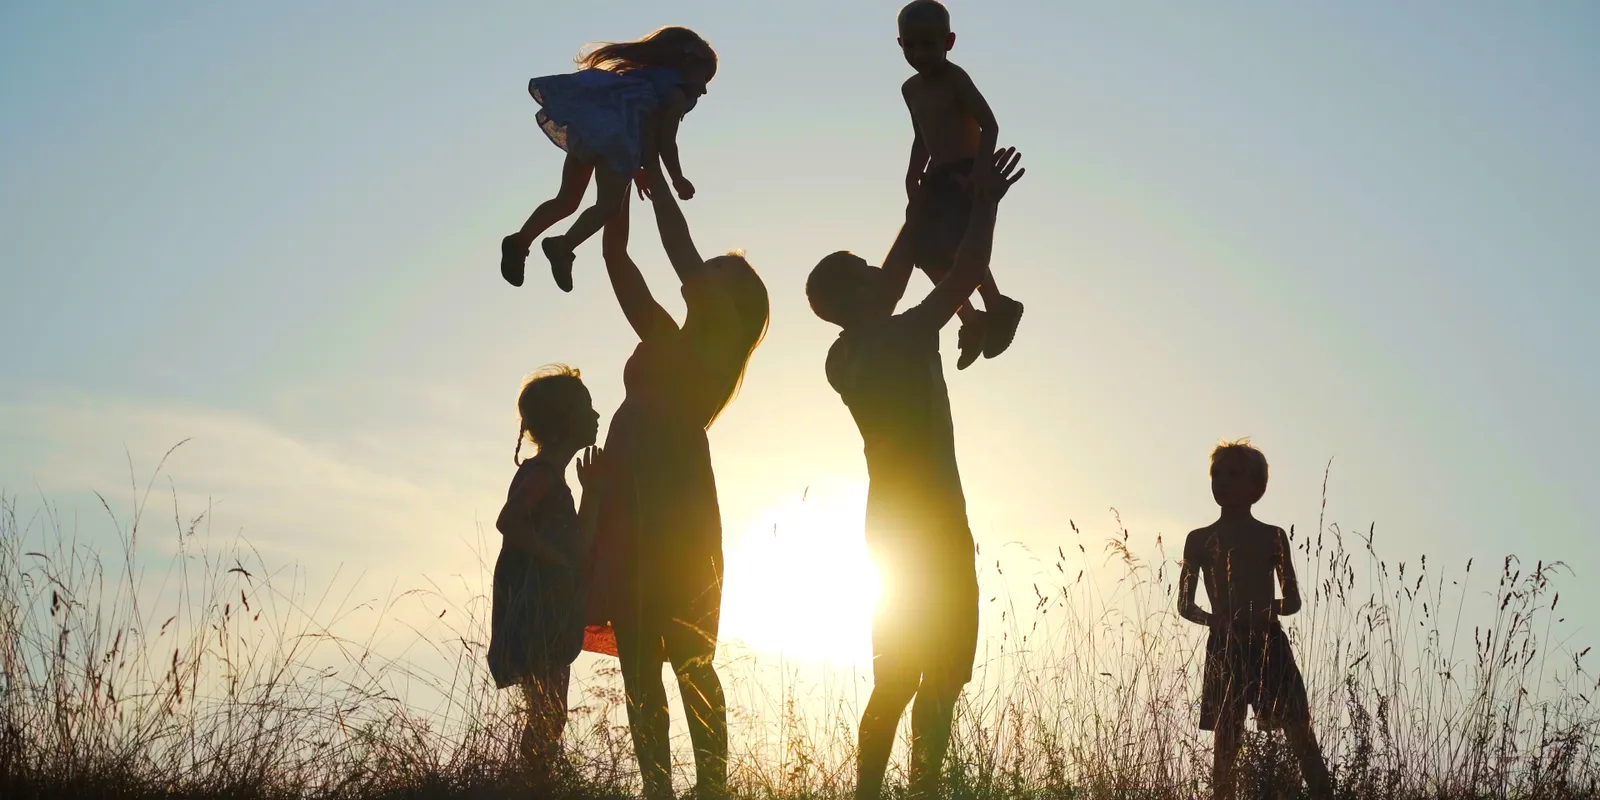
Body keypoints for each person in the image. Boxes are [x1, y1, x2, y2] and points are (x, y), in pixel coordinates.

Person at [807, 147, 1025, 799]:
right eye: (869, 271)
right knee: (942, 676)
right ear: (857, 294)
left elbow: (899, 268)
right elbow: (965, 272)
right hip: (929, 524)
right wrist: (983, 201)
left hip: (892, 526)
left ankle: (872, 793)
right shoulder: (903, 335)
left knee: (898, 678)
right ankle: (924, 788)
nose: (885, 270)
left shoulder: (843, 356)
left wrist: (923, 203)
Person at [580, 155, 769, 800]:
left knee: (690, 656)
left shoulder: (716, 354)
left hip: (676, 506)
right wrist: (614, 199)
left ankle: (713, 786)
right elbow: (622, 268)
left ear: (733, 305)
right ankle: (657, 789)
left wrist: (653, 178)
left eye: (712, 278)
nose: (695, 279)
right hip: (629, 501)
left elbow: (679, 253)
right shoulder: (666, 334)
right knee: (639, 663)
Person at [500, 26, 716, 292]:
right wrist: (677, 178)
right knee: (608, 205)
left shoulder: (642, 78)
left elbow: (635, 120)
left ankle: (519, 241)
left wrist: (635, 171)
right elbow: (664, 141)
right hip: (617, 144)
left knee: (567, 200)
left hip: (590, 130)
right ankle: (562, 247)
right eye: (704, 77)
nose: (704, 89)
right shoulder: (676, 93)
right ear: (687, 64)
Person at [1176, 440, 1334, 800]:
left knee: (1300, 734)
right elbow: (1185, 604)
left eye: (1233, 475)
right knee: (1226, 745)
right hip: (1225, 647)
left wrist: (1264, 610)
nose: (1222, 482)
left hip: (1270, 644)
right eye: (1217, 474)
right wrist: (1215, 621)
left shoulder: (1272, 537)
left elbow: (1292, 600)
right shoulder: (1198, 540)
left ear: (1257, 487)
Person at [486, 365, 603, 780]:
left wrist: (591, 494)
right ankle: (532, 783)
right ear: (562, 423)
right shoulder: (538, 476)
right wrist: (554, 559)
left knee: (552, 713)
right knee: (547, 713)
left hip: (551, 613)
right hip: (534, 610)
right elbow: (510, 522)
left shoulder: (558, 481)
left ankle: (537, 781)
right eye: (587, 408)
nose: (596, 416)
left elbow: (578, 550)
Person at [896, 0, 1024, 370]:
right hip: (936, 177)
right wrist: (911, 174)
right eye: (911, 45)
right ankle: (971, 319)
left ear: (949, 41)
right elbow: (922, 134)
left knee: (959, 245)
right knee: (925, 253)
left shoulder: (956, 79)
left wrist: (982, 170)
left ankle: (999, 305)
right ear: (900, 44)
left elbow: (990, 124)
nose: (920, 53)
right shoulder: (910, 89)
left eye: (929, 45)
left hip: (966, 173)